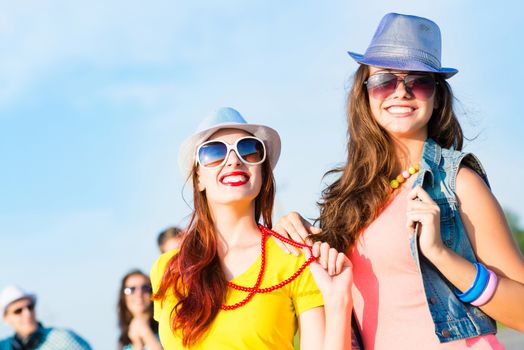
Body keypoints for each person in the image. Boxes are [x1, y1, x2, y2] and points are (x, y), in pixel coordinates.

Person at [274, 12, 524, 349]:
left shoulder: (458, 183)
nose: (401, 92)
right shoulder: (347, 199)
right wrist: (307, 237)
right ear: (365, 95)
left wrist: (440, 254)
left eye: (418, 81)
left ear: (437, 98)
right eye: (385, 81)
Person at [150, 107, 354, 349]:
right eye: (215, 153)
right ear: (198, 179)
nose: (234, 160)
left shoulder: (294, 259)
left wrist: (339, 302)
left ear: (263, 172)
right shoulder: (168, 268)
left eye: (248, 150)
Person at [0, 285, 92, 350]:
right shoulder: (3, 346)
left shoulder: (63, 338)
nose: (27, 313)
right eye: (18, 311)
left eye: (30, 307)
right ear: (6, 318)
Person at [117, 270, 162, 350]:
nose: (139, 293)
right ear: (123, 298)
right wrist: (137, 343)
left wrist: (146, 333)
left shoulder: (166, 327)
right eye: (131, 289)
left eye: (145, 288)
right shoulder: (122, 340)